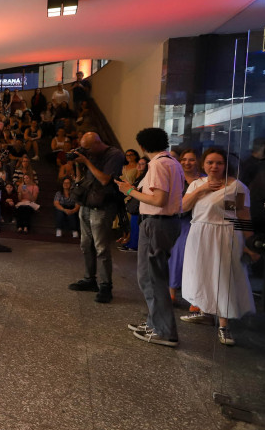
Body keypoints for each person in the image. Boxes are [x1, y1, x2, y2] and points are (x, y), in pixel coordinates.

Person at [117, 127, 186, 347]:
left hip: (157, 223)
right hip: (166, 223)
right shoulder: (173, 162)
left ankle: (164, 331)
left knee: (151, 277)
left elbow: (158, 200)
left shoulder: (157, 164)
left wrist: (129, 191)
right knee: (152, 275)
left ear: (142, 146)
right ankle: (155, 323)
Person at [177, 148, 253, 345]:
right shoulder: (197, 184)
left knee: (222, 278)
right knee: (200, 274)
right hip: (199, 233)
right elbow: (183, 206)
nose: (214, 166)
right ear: (203, 164)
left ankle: (224, 325)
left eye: (219, 163)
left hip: (223, 233)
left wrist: (249, 243)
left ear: (225, 165)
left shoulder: (235, 186)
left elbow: (242, 215)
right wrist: (201, 189)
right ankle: (205, 312)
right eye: (210, 162)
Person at [67, 132, 125, 304]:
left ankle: (106, 286)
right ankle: (89, 279)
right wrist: (78, 164)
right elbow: (80, 179)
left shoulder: (114, 155)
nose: (85, 151)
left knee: (101, 248)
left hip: (103, 206)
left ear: (97, 144)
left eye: (87, 148)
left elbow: (105, 180)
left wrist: (86, 161)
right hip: (86, 203)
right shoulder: (90, 155)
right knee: (85, 245)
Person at [168, 148, 203, 302]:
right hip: (179, 222)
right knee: (176, 256)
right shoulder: (175, 178)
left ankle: (195, 297)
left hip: (198, 222)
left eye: (191, 159)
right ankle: (172, 291)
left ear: (198, 161)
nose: (187, 163)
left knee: (195, 259)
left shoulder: (204, 180)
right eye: (184, 159)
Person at [118, 157, 148, 252]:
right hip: (136, 203)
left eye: (142, 164)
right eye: (138, 163)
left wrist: (133, 190)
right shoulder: (140, 176)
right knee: (133, 225)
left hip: (140, 204)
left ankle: (134, 245)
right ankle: (131, 243)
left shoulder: (147, 176)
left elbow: (143, 190)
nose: (139, 166)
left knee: (135, 224)